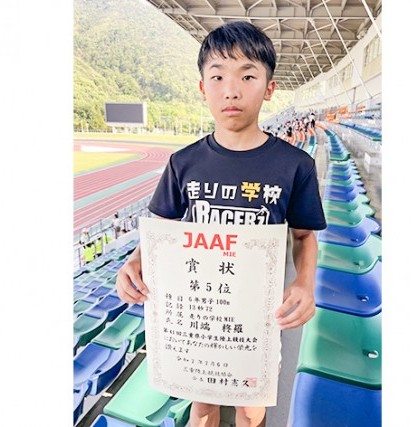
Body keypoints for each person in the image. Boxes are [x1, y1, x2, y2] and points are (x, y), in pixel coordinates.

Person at [116, 21, 326, 427]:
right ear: (203, 88)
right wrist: (135, 261)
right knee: (203, 404)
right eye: (218, 77)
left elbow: (304, 235)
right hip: (202, 311)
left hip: (257, 312)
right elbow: (162, 227)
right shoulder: (183, 163)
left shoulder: (294, 165)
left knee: (251, 407)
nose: (231, 90)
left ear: (269, 87)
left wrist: (305, 283)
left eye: (247, 76)